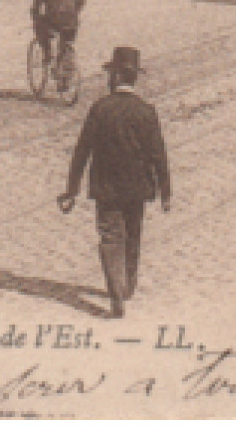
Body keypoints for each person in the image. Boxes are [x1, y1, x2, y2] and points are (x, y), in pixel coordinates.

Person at [58, 47, 171, 319]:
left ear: (117, 75)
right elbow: (158, 154)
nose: (108, 78)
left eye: (110, 74)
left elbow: (82, 151)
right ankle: (128, 285)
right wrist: (165, 191)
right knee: (133, 235)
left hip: (106, 188)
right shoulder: (146, 112)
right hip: (137, 188)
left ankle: (116, 294)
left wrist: (71, 190)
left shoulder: (100, 109)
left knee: (110, 237)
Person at [32, 0, 85, 95]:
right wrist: (74, 12)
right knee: (67, 43)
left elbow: (36, 7)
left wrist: (36, 19)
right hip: (71, 20)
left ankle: (47, 53)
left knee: (41, 28)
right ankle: (66, 78)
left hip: (54, 20)